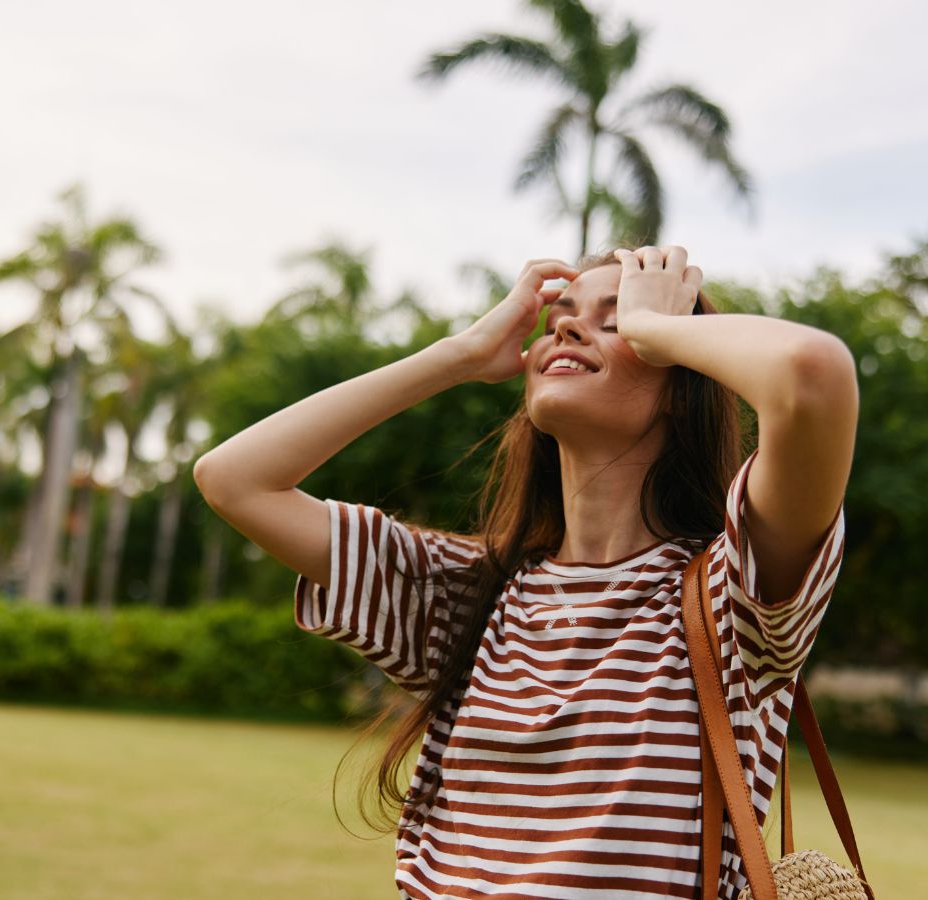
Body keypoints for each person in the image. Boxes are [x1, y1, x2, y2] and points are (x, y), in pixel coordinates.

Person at [193, 245, 858, 900]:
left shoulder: (731, 594)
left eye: (615, 316)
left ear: (680, 385)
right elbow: (235, 479)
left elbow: (813, 374)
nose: (567, 326)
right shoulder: (470, 594)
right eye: (561, 316)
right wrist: (458, 356)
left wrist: (657, 326)